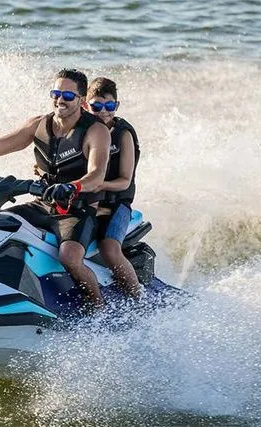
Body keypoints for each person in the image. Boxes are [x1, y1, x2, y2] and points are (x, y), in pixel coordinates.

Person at [0, 69, 111, 308]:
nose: (60, 100)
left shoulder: (96, 131)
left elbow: (96, 175)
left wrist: (72, 187)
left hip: (76, 209)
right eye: (55, 93)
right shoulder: (39, 125)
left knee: (70, 257)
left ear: (82, 101)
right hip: (42, 203)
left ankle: (99, 309)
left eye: (67, 95)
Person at [83, 77, 143, 298]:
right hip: (88, 199)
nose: (103, 112)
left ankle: (138, 298)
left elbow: (125, 180)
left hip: (116, 202)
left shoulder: (123, 134)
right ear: (85, 105)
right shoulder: (81, 129)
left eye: (109, 106)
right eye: (96, 106)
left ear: (116, 106)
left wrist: (96, 184)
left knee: (109, 248)